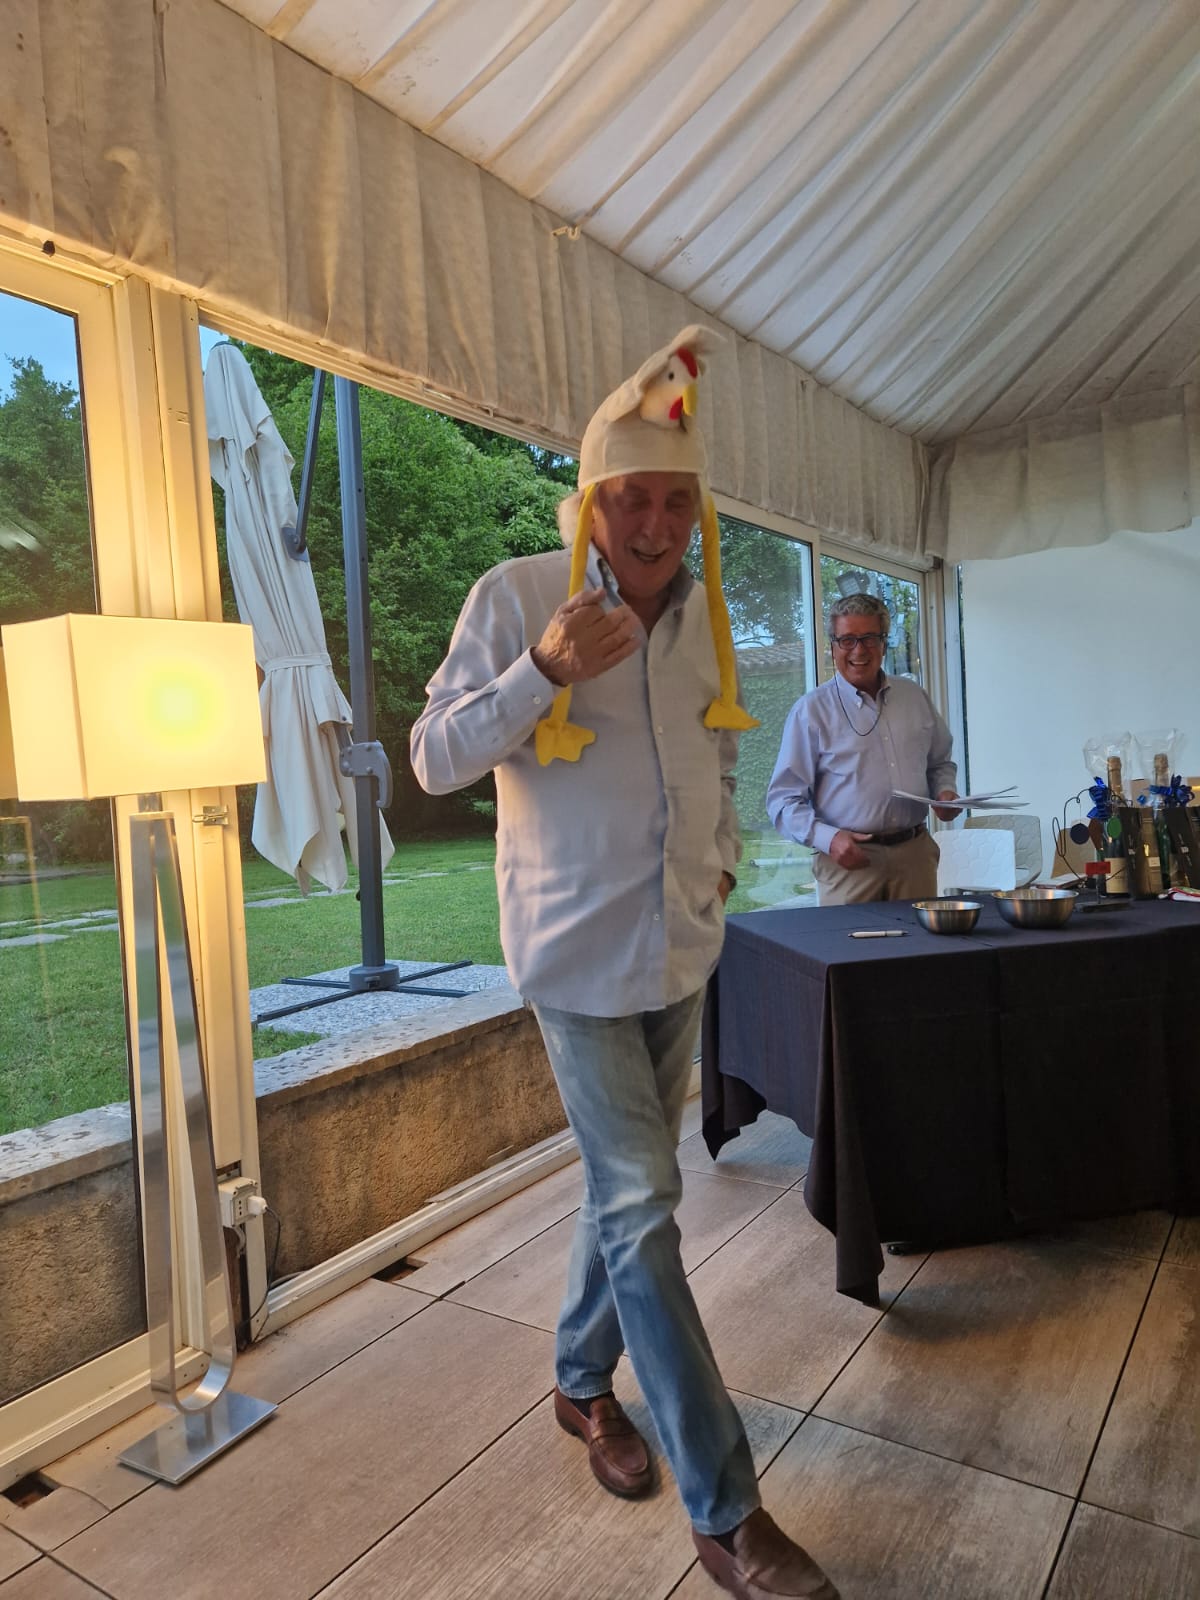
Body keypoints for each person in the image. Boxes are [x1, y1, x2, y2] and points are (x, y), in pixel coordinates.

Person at [411, 327, 840, 1600]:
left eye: (675, 500)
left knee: (622, 1194)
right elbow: (434, 758)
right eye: (632, 498)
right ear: (591, 501)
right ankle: (729, 1508)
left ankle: (579, 1380)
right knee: (647, 1203)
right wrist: (541, 672)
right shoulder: (516, 596)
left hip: (681, 945)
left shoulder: (707, 615)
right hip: (574, 954)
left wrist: (722, 861)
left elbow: (717, 754)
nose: (655, 524)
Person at [766, 593, 959, 905]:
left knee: (920, 939)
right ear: (833, 647)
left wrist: (945, 792)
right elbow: (783, 801)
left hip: (915, 858)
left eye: (869, 638)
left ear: (884, 643)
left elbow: (939, 763)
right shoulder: (811, 711)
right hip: (848, 864)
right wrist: (829, 839)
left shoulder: (915, 698)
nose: (859, 650)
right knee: (852, 940)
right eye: (847, 640)